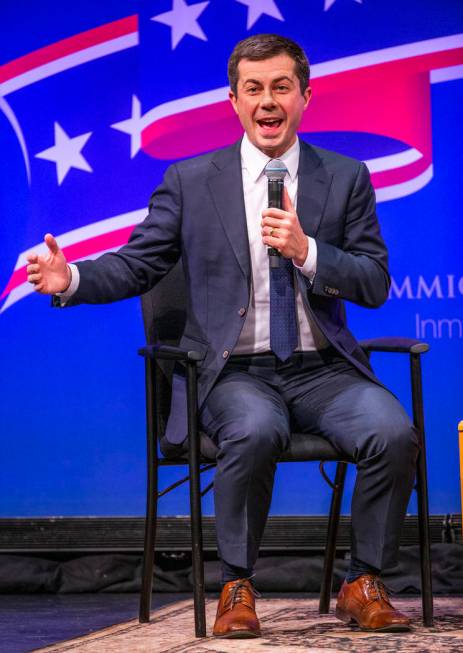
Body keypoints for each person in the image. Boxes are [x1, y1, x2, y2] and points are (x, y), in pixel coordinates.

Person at [27, 34, 418, 639]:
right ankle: (237, 584)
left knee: (392, 431)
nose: (268, 100)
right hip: (234, 372)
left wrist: (308, 250)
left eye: (281, 87)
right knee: (256, 428)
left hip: (323, 371)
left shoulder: (345, 178)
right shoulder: (190, 181)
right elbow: (138, 264)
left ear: (305, 97)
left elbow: (373, 282)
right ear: (233, 101)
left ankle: (362, 581)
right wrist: (70, 277)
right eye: (254, 89)